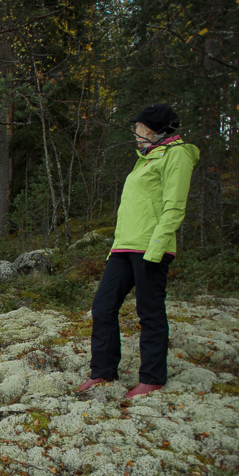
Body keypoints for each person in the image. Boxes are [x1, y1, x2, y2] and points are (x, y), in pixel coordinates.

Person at [79, 103, 200, 398]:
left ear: (154, 129)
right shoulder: (144, 160)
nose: (135, 133)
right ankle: (103, 371)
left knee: (150, 313)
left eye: (139, 128)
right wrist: (115, 247)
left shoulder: (177, 156)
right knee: (103, 307)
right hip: (123, 248)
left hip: (150, 249)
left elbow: (174, 207)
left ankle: (152, 377)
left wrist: (156, 250)